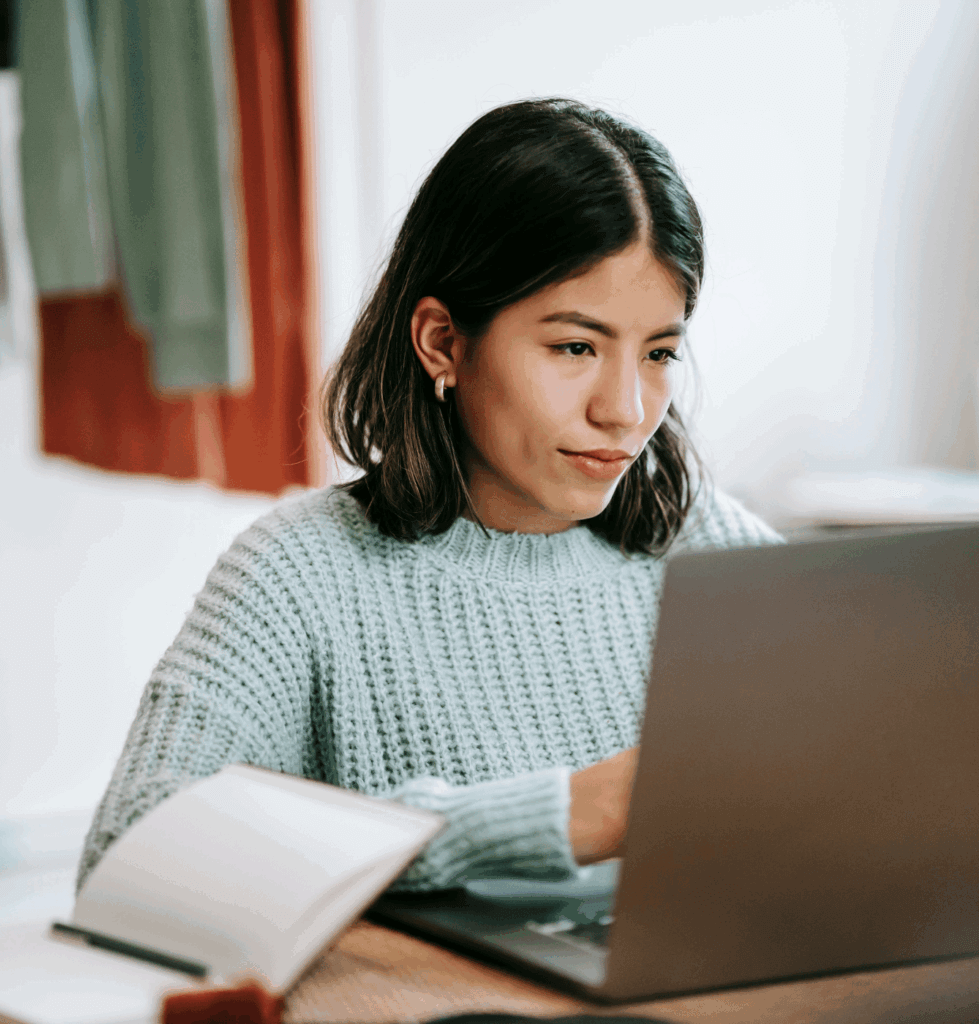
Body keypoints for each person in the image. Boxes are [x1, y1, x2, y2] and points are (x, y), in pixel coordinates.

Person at [77, 98, 782, 895]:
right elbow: (124, 856)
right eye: (575, 346)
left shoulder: (713, 550)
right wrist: (550, 816)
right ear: (443, 341)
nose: (624, 408)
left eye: (658, 353)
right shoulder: (300, 577)